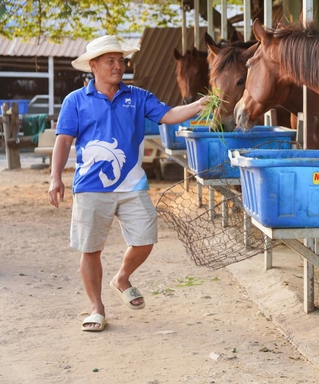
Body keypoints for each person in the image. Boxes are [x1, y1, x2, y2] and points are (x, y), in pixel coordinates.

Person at [47, 35, 211, 332]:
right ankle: (97, 307)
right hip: (90, 187)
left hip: (132, 183)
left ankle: (121, 278)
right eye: (110, 60)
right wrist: (55, 177)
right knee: (90, 249)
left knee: (145, 238)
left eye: (121, 60)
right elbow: (64, 141)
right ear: (93, 65)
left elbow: (169, 115)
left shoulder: (137, 96)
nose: (118, 66)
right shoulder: (75, 101)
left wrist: (199, 105)